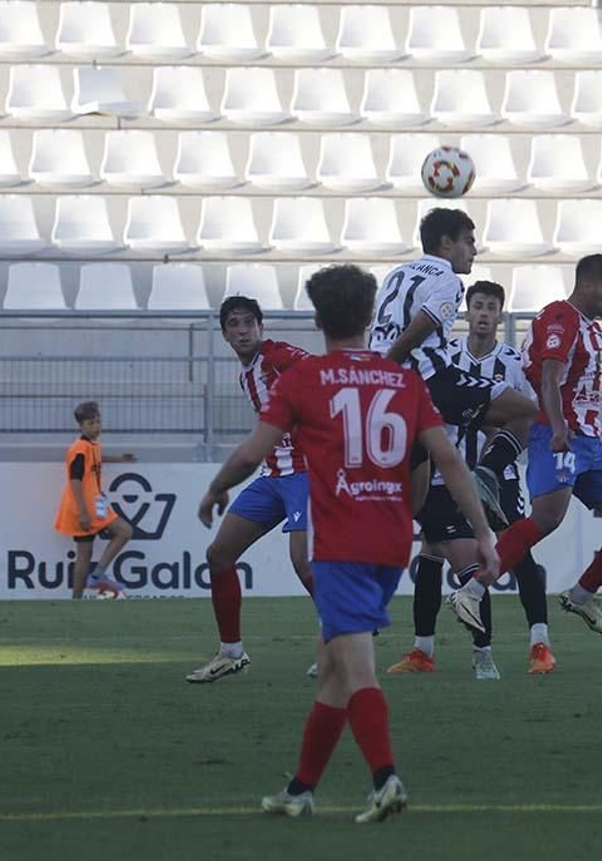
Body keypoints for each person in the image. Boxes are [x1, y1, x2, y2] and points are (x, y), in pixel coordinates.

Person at [199, 264, 497, 823]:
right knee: (333, 670)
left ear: (317, 319)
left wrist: (216, 488)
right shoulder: (404, 381)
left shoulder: (303, 380)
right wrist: (482, 531)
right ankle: (301, 790)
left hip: (340, 541)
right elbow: (449, 459)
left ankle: (386, 779)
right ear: (372, 318)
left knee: (355, 668)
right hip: (389, 540)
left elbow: (248, 453)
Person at [447, 255, 602, 640]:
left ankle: (581, 594)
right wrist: (558, 426)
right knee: (546, 518)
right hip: (557, 435)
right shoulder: (560, 317)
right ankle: (472, 590)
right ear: (589, 285)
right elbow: (548, 377)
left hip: (589, 444)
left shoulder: (588, 328)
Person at [385, 280, 554, 679]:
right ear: (466, 312)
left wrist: (495, 458)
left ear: (499, 314)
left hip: (500, 478)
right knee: (429, 551)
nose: (482, 313)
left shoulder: (512, 363)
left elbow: (527, 419)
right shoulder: (446, 360)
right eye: (477, 305)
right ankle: (422, 651)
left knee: (518, 553)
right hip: (449, 475)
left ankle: (540, 644)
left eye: (490, 307)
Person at [370, 208, 537, 520]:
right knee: (525, 410)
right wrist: (385, 372)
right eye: (469, 241)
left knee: (414, 503)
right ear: (446, 243)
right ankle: (486, 476)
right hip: (429, 382)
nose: (474, 250)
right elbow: (411, 336)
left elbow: (381, 333)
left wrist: (376, 380)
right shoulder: (448, 279)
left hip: (393, 391)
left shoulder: (396, 274)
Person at [189, 296, 316, 683]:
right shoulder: (247, 375)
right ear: (225, 333)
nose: (242, 330)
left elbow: (320, 374)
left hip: (308, 473)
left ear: (261, 327)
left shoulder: (277, 355)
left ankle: (344, 638)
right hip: (273, 475)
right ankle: (231, 652)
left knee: (305, 562)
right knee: (219, 555)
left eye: (249, 322)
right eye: (234, 324)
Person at [53, 401, 136, 599]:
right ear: (81, 426)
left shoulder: (91, 445)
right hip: (86, 506)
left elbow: (97, 459)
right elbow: (74, 480)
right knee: (124, 531)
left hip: (96, 503)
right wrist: (82, 512)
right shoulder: (79, 448)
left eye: (98, 421)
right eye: (91, 423)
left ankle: (77, 599)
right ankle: (97, 577)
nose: (96, 426)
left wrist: (119, 459)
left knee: (85, 553)